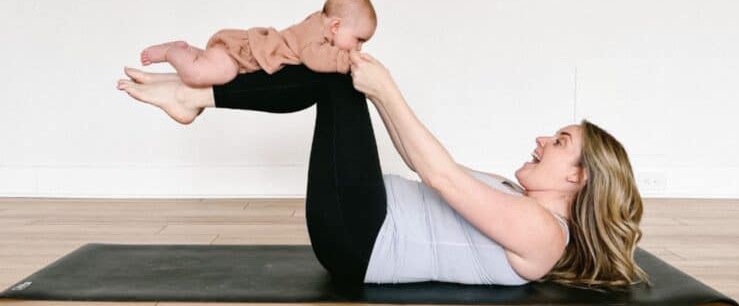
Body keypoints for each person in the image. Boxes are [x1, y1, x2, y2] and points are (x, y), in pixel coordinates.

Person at [116, 51, 648, 288]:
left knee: (334, 76)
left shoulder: (543, 234)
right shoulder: (515, 197)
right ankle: (194, 96)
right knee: (336, 70)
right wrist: (381, 94)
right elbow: (424, 159)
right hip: (361, 221)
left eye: (558, 143)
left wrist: (385, 88)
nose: (540, 140)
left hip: (361, 237)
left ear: (578, 178)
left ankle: (194, 96)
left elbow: (437, 175)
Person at [139, 0, 376, 87]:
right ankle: (172, 52)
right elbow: (316, 58)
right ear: (335, 25)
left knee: (210, 65)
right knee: (200, 76)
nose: (359, 47)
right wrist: (347, 62)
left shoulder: (319, 26)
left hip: (242, 52)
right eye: (359, 40)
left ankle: (189, 51)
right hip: (243, 52)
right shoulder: (313, 33)